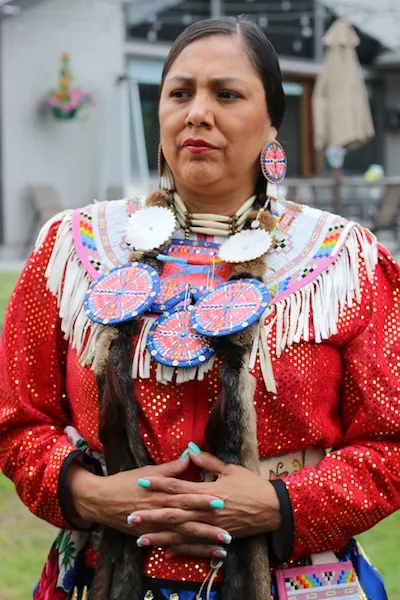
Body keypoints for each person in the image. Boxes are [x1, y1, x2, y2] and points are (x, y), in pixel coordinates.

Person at [0, 16, 399, 600]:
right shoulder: (74, 247)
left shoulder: (345, 260)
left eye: (227, 94)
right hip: (102, 576)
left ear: (271, 125)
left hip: (296, 579)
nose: (198, 113)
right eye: (180, 93)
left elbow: (390, 443)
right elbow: (17, 420)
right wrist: (85, 492)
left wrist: (279, 503)